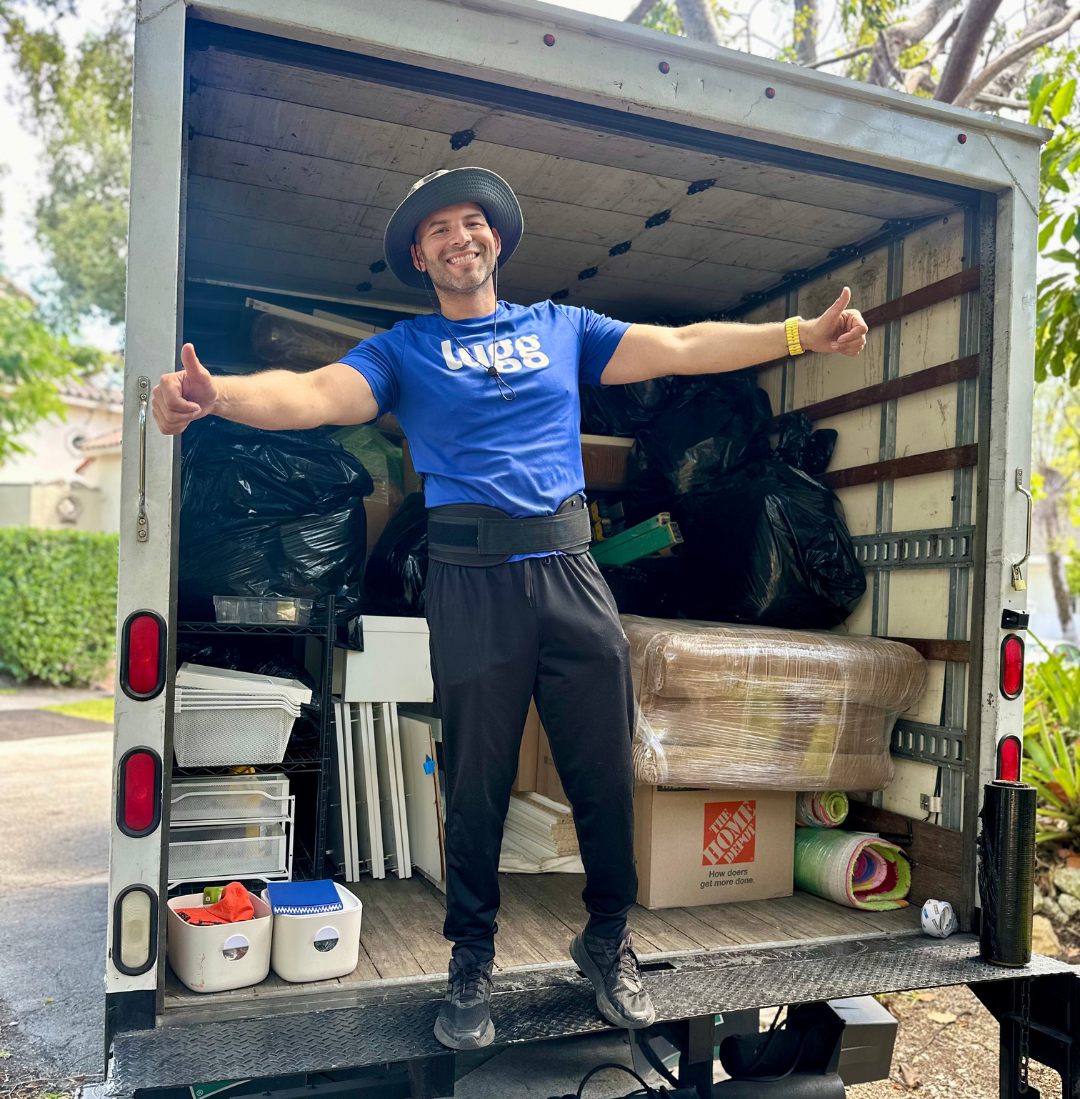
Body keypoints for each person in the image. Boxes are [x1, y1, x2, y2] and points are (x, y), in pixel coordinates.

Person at [153, 167, 867, 1051]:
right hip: (470, 580)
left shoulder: (562, 329)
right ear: (421, 257)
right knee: (477, 781)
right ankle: (471, 958)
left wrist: (800, 335)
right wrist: (219, 396)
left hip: (569, 570)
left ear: (496, 240)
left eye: (472, 222)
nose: (460, 236)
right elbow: (316, 395)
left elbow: (681, 345)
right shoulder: (403, 350)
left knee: (603, 769)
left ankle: (607, 939)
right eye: (439, 229)